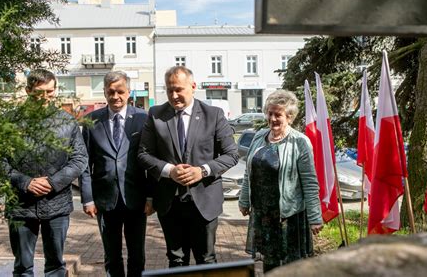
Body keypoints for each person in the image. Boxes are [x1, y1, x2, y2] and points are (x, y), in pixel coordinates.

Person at [138, 66, 238, 267]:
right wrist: (169, 171)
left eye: (179, 89)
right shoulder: (156, 115)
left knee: (206, 260)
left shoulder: (214, 114)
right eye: (169, 90)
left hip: (205, 201)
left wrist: (202, 170)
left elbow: (231, 155)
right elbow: (143, 154)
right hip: (170, 202)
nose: (174, 95)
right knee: (176, 260)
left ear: (193, 87)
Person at [5, 69, 88, 276]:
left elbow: (79, 160)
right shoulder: (10, 121)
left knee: (56, 266)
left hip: (57, 203)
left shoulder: (66, 121)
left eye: (50, 92)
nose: (46, 98)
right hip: (21, 205)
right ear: (27, 90)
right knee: (23, 266)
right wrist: (25, 182)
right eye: (39, 93)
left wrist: (52, 182)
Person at [238, 89, 323, 273]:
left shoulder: (299, 142)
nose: (273, 119)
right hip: (263, 215)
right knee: (269, 265)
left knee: (291, 267)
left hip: (288, 217)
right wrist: (244, 199)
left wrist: (315, 217)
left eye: (278, 114)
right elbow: (248, 172)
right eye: (270, 113)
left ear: (289, 117)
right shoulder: (259, 136)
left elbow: (309, 182)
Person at [79, 71, 152, 277]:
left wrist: (150, 196)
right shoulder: (91, 121)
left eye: (120, 91)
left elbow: (150, 162)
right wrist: (87, 199)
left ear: (128, 92)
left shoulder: (143, 119)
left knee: (137, 255)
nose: (116, 96)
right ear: (104, 92)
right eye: (111, 92)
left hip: (135, 199)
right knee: (111, 256)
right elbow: (85, 163)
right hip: (105, 200)